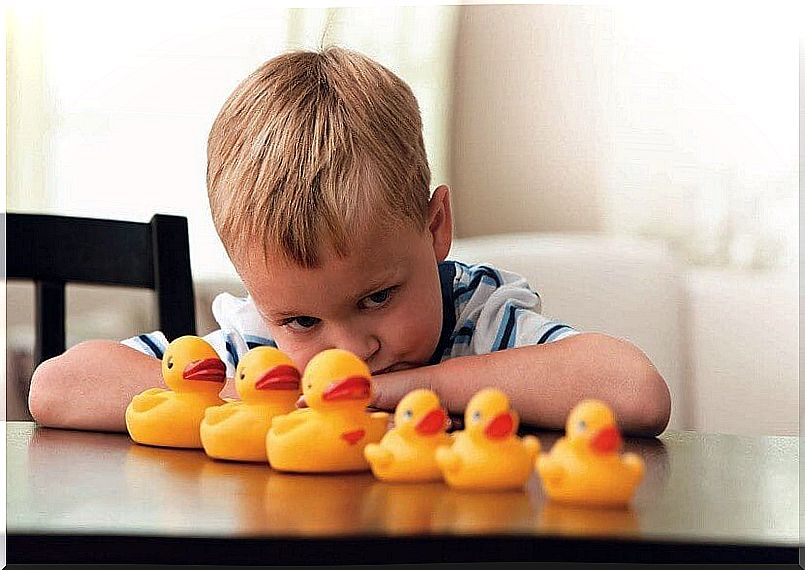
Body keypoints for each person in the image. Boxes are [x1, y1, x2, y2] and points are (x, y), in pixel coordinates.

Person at [28, 47, 670, 436]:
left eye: (378, 297)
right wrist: (253, 395)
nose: (351, 352)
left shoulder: (479, 318)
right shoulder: (262, 350)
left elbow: (635, 389)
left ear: (436, 227)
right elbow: (57, 387)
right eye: (304, 319)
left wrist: (419, 389)